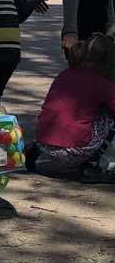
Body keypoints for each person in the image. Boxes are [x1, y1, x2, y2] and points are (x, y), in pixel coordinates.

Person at [28, 33, 115, 180]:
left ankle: (40, 151)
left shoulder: (64, 74)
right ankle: (93, 164)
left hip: (44, 145)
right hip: (73, 151)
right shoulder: (102, 82)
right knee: (108, 119)